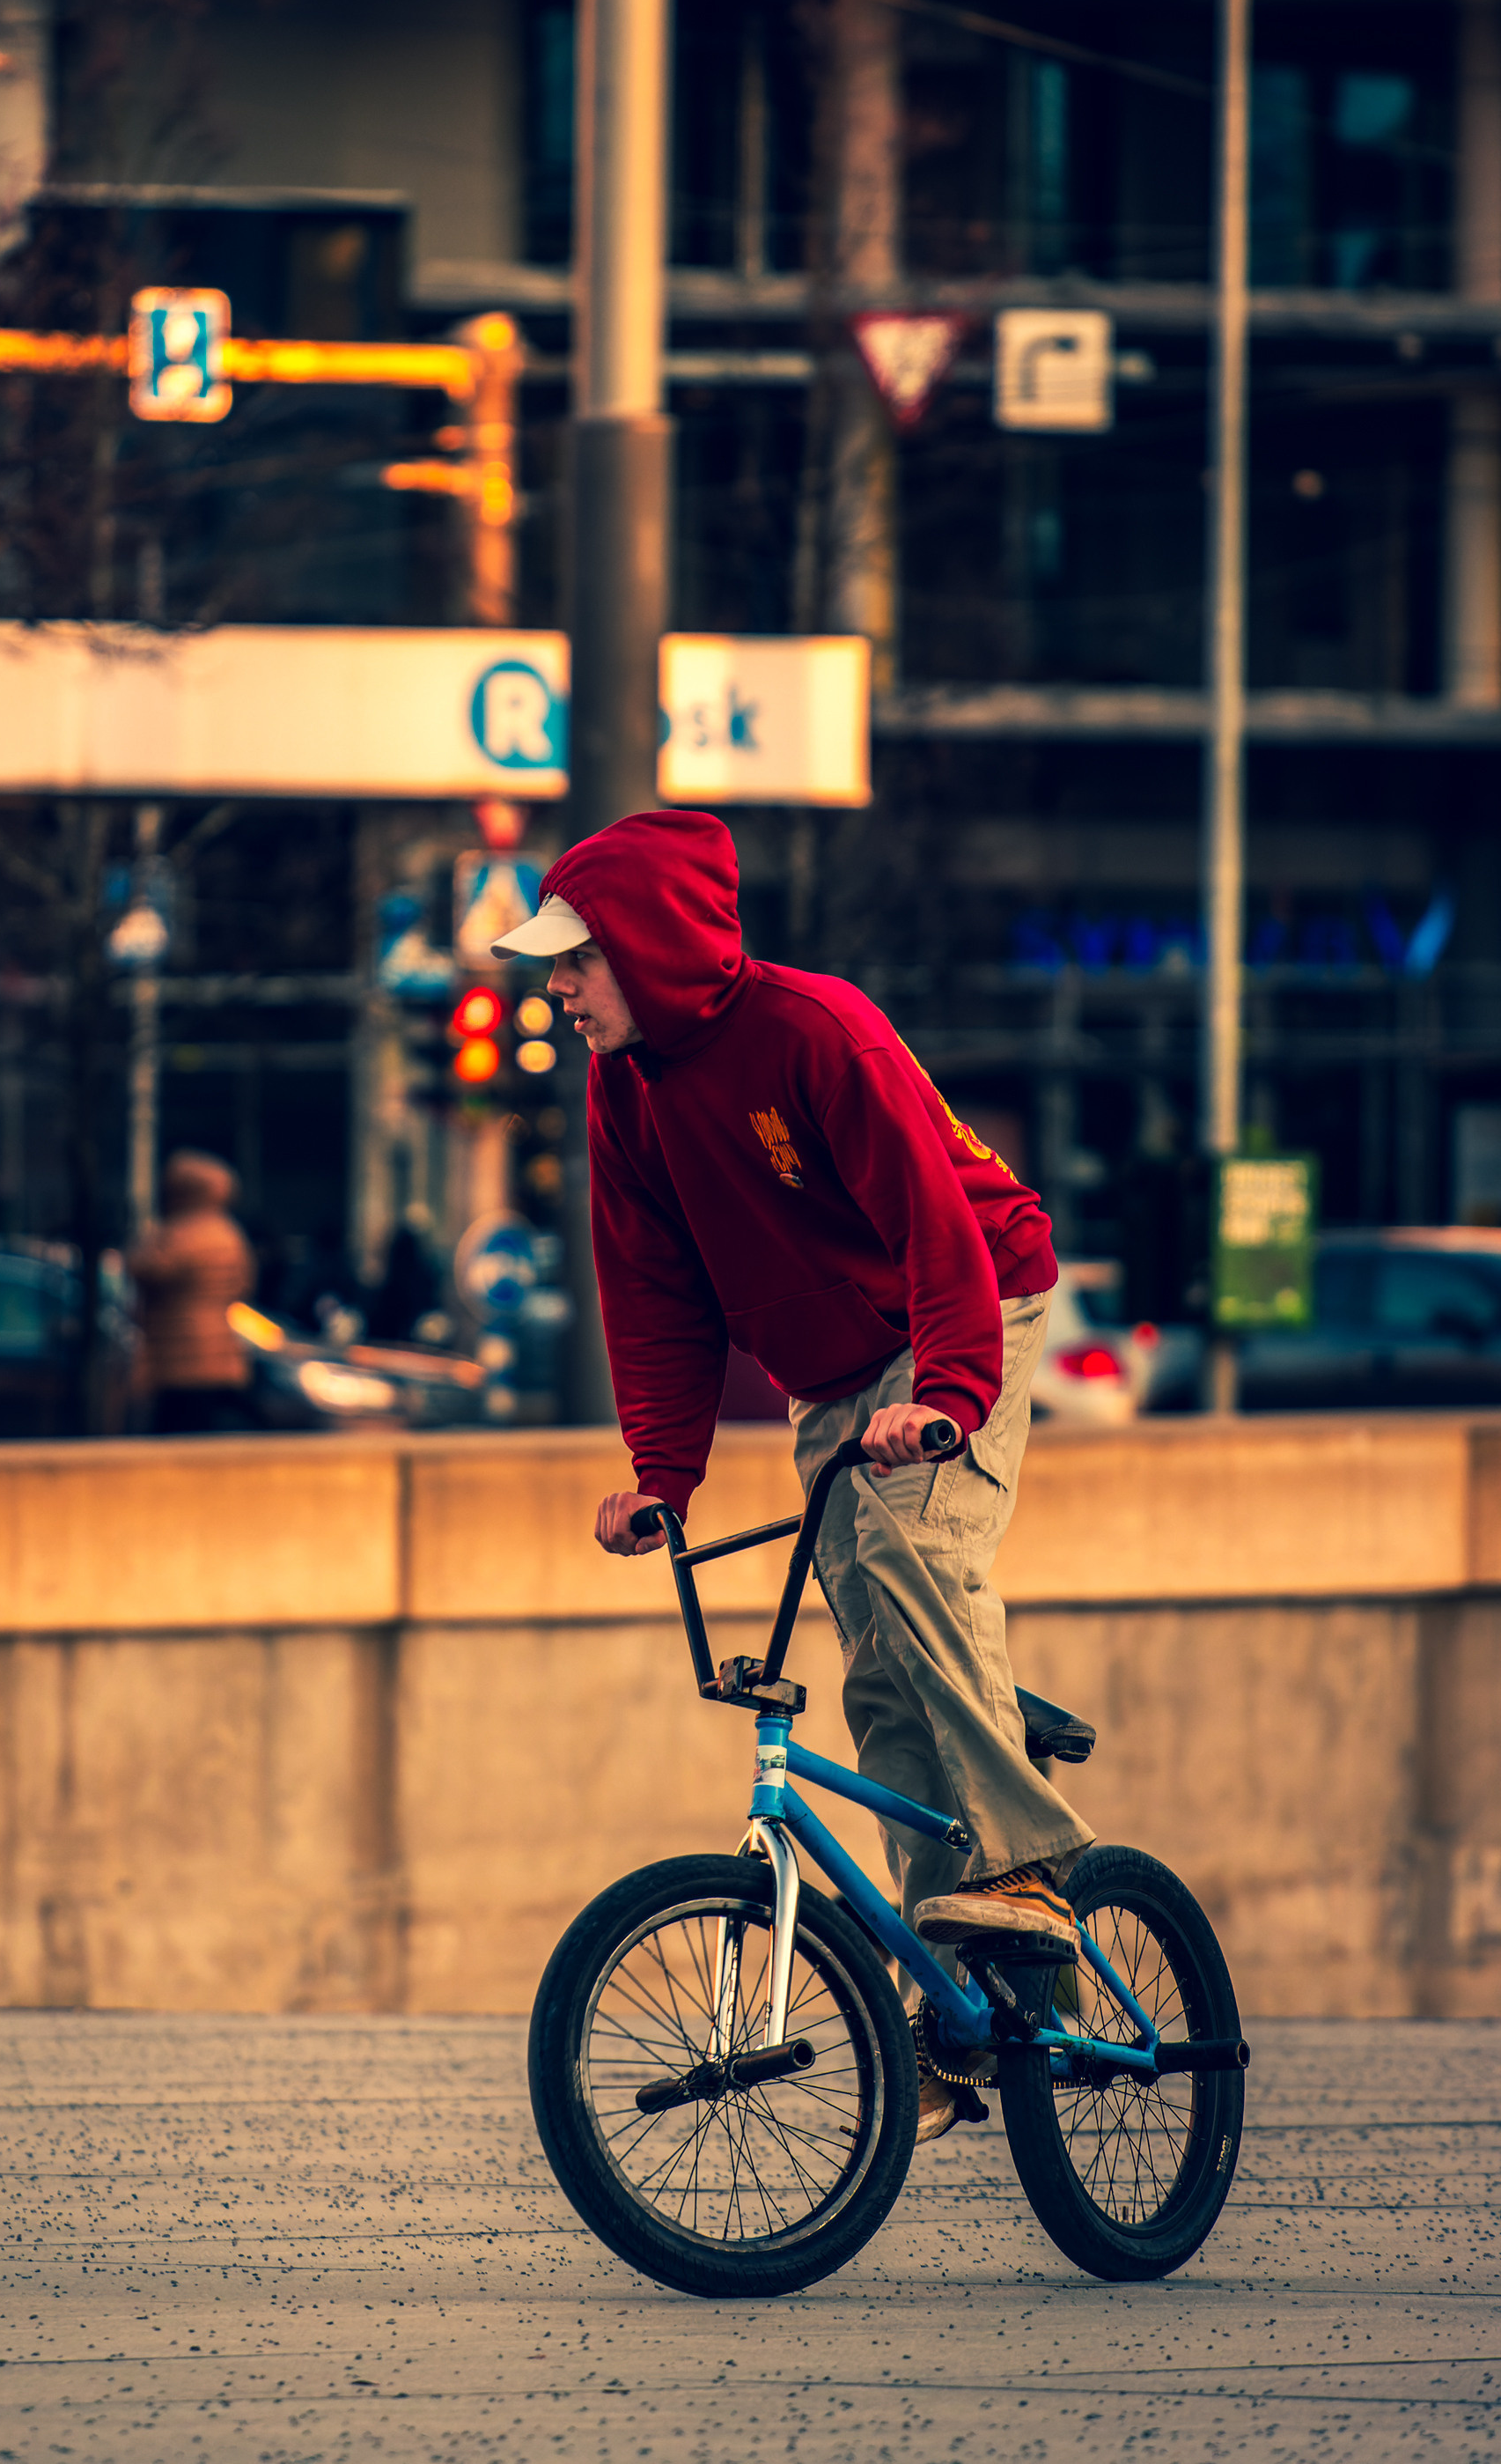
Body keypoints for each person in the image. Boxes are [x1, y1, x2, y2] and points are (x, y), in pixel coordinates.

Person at [492, 810, 1093, 2145]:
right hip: (832, 1369)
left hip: (969, 1304)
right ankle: (958, 2007)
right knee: (877, 1665)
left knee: (908, 1552)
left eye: (578, 962)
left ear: (650, 949)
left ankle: (1031, 1867)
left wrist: (950, 1396)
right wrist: (664, 1474)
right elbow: (652, 1290)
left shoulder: (817, 1032)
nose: (559, 989)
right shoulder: (624, 1091)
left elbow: (936, 1223)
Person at [129, 1150, 262, 1435]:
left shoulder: (180, 1233)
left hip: (177, 1348)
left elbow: (142, 1267)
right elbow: (244, 1284)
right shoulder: (229, 1233)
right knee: (204, 1424)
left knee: (175, 1426)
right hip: (221, 1346)